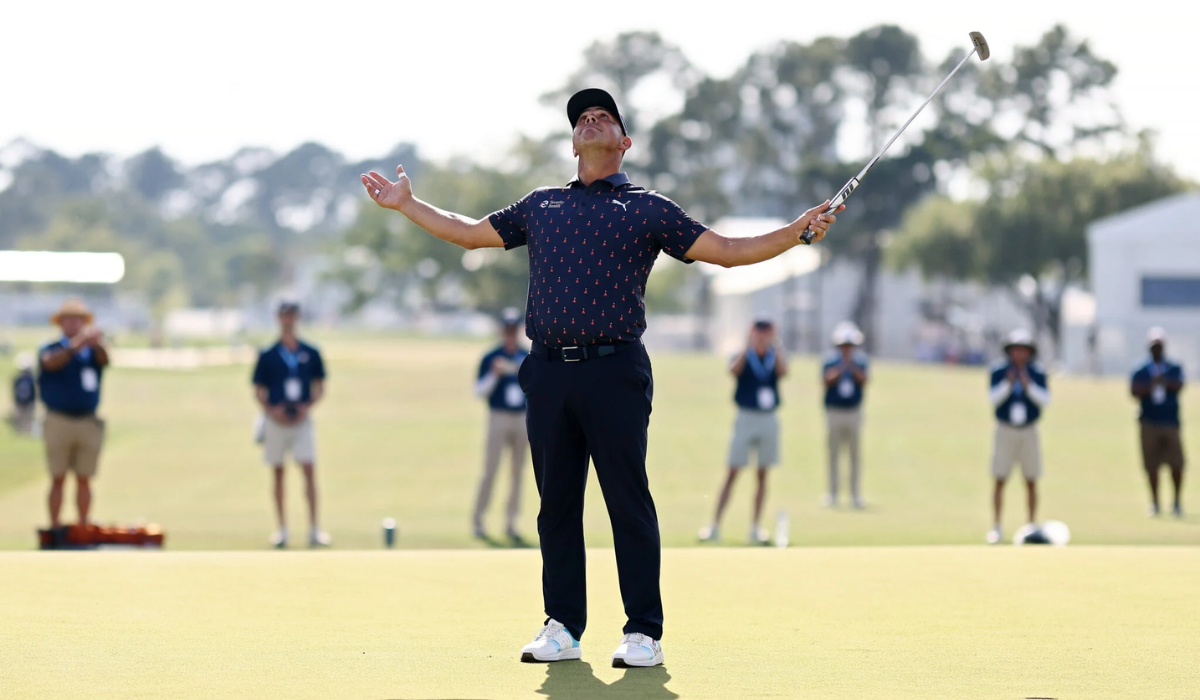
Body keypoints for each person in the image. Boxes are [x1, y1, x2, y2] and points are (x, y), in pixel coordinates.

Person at [360, 87, 841, 668]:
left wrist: (797, 229)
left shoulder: (646, 207)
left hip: (616, 371)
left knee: (626, 500)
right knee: (555, 505)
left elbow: (730, 250)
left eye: (603, 117)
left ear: (623, 141)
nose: (590, 121)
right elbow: (468, 232)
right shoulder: (542, 205)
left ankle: (644, 632)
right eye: (582, 118)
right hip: (547, 371)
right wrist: (407, 205)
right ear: (572, 143)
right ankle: (562, 626)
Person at [698, 317, 787, 545]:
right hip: (746, 416)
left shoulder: (774, 353)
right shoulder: (744, 353)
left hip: (768, 417)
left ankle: (756, 528)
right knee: (733, 471)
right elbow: (733, 370)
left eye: (767, 331)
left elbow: (783, 371)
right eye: (759, 330)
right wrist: (749, 347)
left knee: (762, 474)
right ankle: (715, 526)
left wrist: (774, 346)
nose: (762, 334)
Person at [251, 301, 330, 548]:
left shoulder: (310, 352)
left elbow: (319, 386)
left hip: (302, 420)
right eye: (284, 316)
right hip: (276, 420)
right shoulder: (268, 354)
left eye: (292, 315)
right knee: (278, 472)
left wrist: (307, 407)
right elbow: (259, 390)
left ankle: (314, 530)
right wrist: (272, 411)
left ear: (297, 318)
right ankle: (282, 530)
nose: (288, 320)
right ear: (278, 318)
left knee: (308, 470)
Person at [37, 299, 109, 527]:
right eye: (68, 319)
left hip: (87, 420)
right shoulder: (51, 348)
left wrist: (97, 343)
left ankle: (84, 524)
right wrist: (74, 346)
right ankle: (55, 526)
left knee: (85, 478)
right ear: (61, 323)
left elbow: (105, 360)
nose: (73, 324)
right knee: (57, 477)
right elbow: (50, 363)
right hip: (59, 419)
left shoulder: (91, 351)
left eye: (77, 320)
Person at [472, 307, 530, 545]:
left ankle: (511, 522)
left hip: (522, 418)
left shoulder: (526, 355)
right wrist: (495, 374)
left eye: (513, 330)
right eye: (506, 330)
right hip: (498, 416)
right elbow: (478, 391)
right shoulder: (491, 357)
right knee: (490, 471)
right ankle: (478, 521)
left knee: (517, 473)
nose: (509, 335)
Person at [986, 329, 1050, 544]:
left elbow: (1045, 400)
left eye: (1023, 350)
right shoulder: (1000, 371)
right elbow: (993, 398)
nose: (1019, 354)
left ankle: (1031, 525)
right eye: (1016, 350)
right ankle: (996, 527)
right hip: (1005, 429)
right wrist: (1008, 383)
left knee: (1031, 479)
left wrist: (1027, 385)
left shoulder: (1036, 373)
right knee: (1000, 478)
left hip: (1028, 429)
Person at [1131, 327, 1185, 518]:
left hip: (1170, 422)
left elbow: (1179, 385)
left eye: (1160, 346)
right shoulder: (1141, 370)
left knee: (1176, 464)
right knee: (1151, 465)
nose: (1157, 350)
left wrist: (1163, 381)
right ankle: (1155, 502)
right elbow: (1134, 391)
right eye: (1154, 346)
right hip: (1149, 422)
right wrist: (1152, 384)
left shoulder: (1173, 368)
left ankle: (1177, 502)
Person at [822, 322, 868, 509]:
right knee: (834, 454)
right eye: (844, 345)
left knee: (854, 455)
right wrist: (842, 367)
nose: (847, 349)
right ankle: (832, 494)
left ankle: (855, 494)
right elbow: (826, 380)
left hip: (853, 411)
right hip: (834, 411)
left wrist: (852, 366)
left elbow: (864, 380)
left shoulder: (861, 361)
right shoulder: (830, 361)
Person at [7, 352, 37, 435]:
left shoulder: (18, 379)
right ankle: (23, 432)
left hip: (23, 401)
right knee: (24, 417)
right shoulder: (27, 379)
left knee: (25, 418)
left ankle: (24, 431)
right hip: (24, 401)